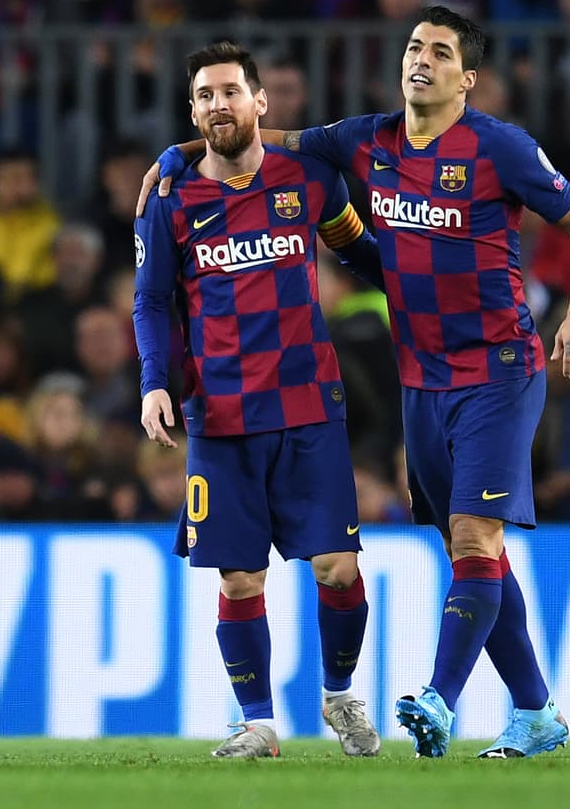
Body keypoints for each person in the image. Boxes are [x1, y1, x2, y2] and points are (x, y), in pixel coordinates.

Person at [139, 6, 570, 760]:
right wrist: (177, 153)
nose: (421, 58)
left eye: (441, 51)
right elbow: (267, 140)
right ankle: (536, 710)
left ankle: (436, 701)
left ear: (468, 77)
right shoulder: (365, 140)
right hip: (418, 377)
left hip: (498, 366)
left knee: (471, 535)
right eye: (415, 45)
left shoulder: (498, 147)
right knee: (473, 551)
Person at [133, 42, 386, 760]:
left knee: (337, 567)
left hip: (308, 405)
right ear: (193, 110)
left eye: (231, 92)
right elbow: (150, 303)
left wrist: (423, 278)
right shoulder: (171, 199)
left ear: (260, 102)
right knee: (239, 575)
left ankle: (340, 696)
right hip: (220, 416)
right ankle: (257, 721)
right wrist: (155, 380)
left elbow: (357, 250)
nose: (219, 105)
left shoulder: (309, 178)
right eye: (206, 96)